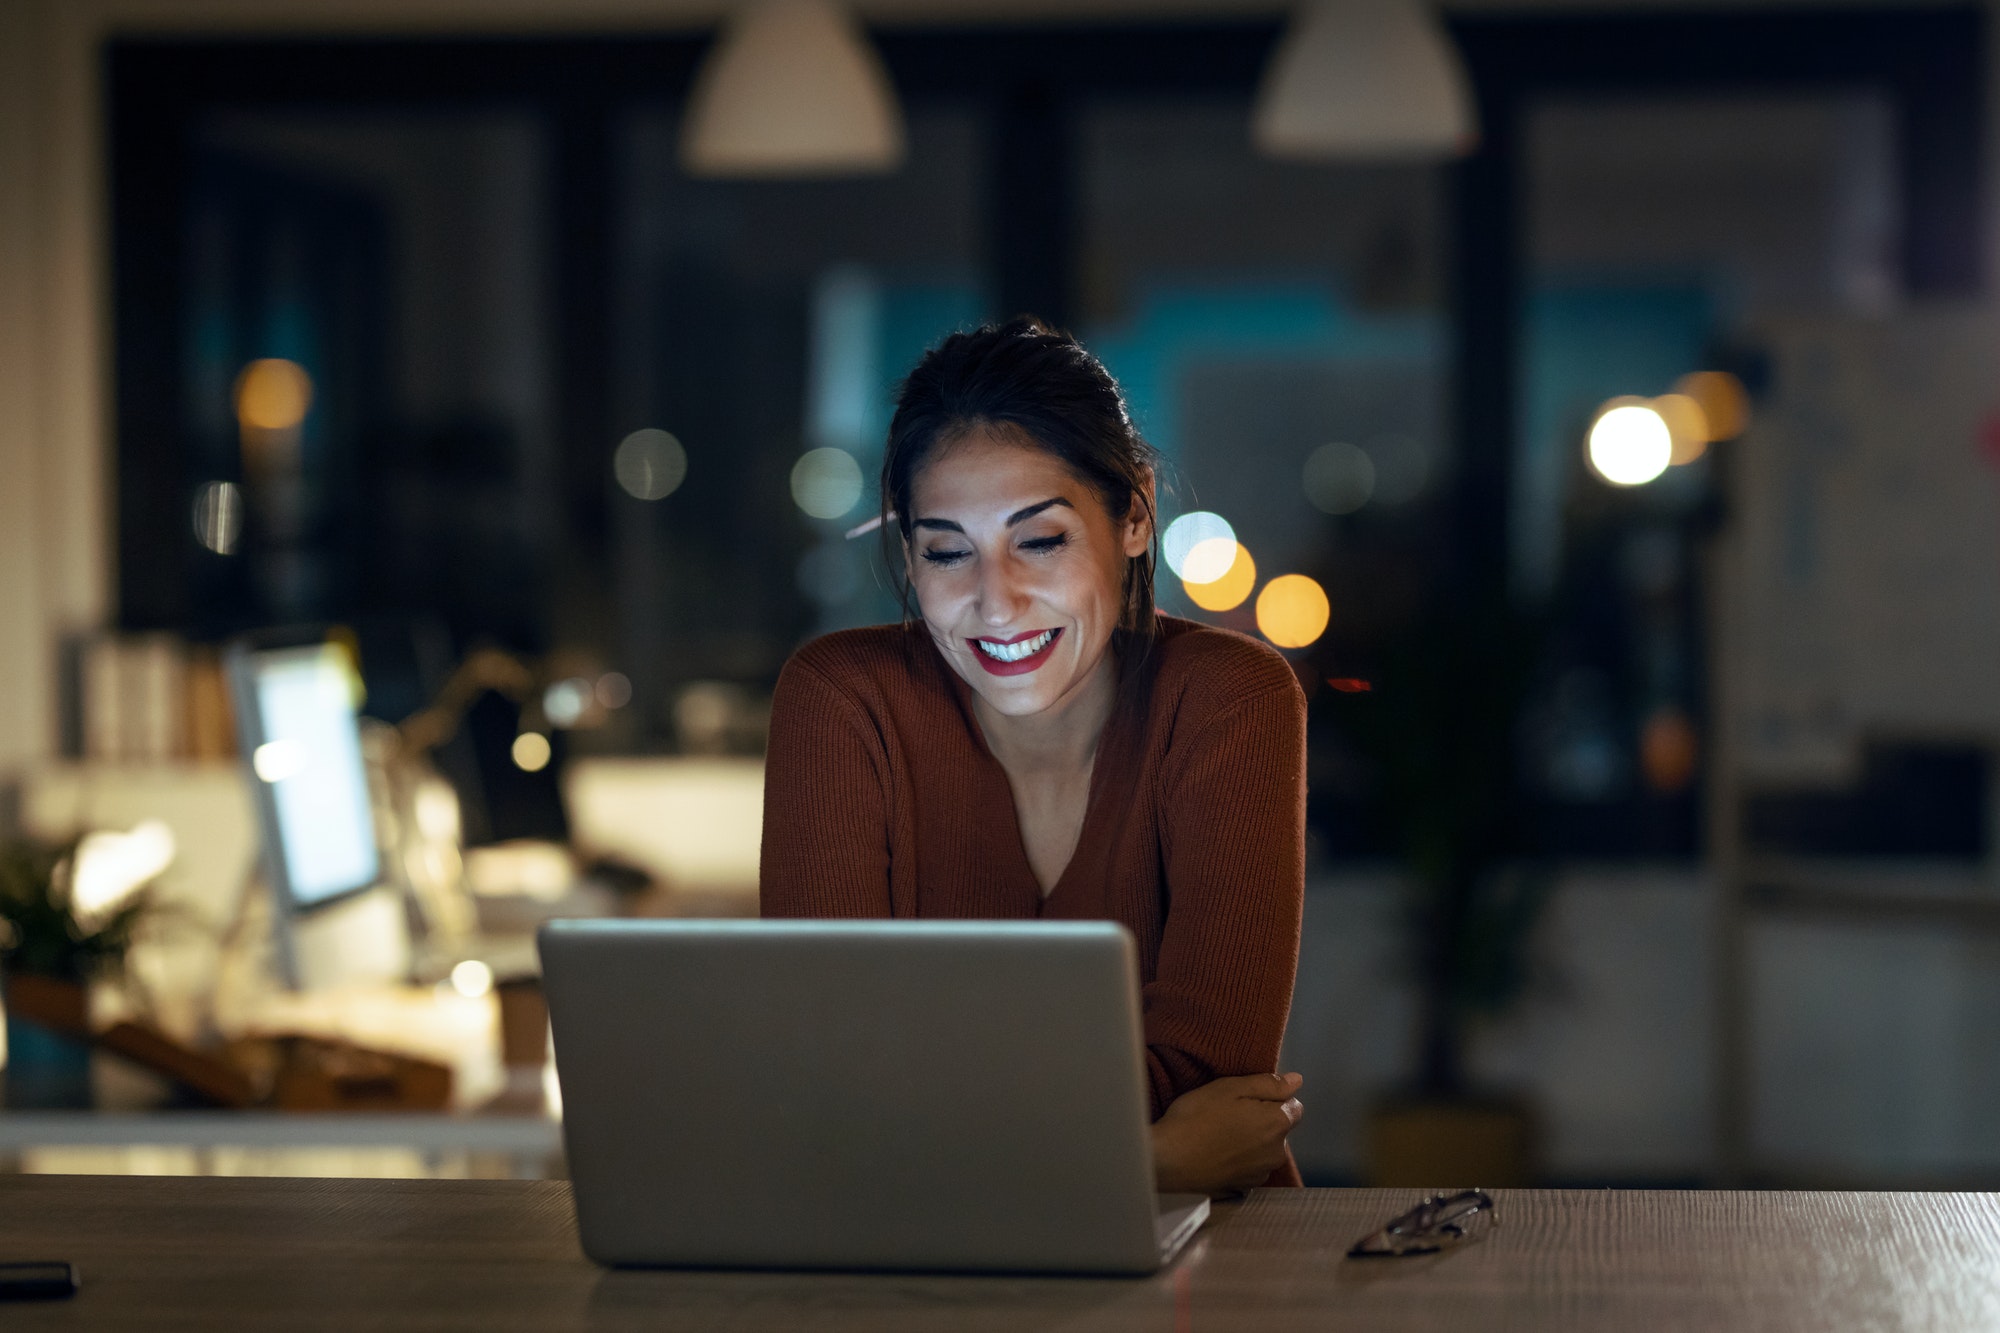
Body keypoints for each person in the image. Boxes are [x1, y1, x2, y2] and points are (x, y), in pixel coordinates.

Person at [760, 318, 1307, 1194]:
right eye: (947, 551)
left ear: (1134, 513)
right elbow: (829, 1079)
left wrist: (921, 1124)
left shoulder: (1228, 696)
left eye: (1041, 540)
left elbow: (1214, 1074)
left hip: (1207, 1273)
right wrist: (1150, 1157)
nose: (996, 601)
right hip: (915, 1272)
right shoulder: (843, 699)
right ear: (909, 553)